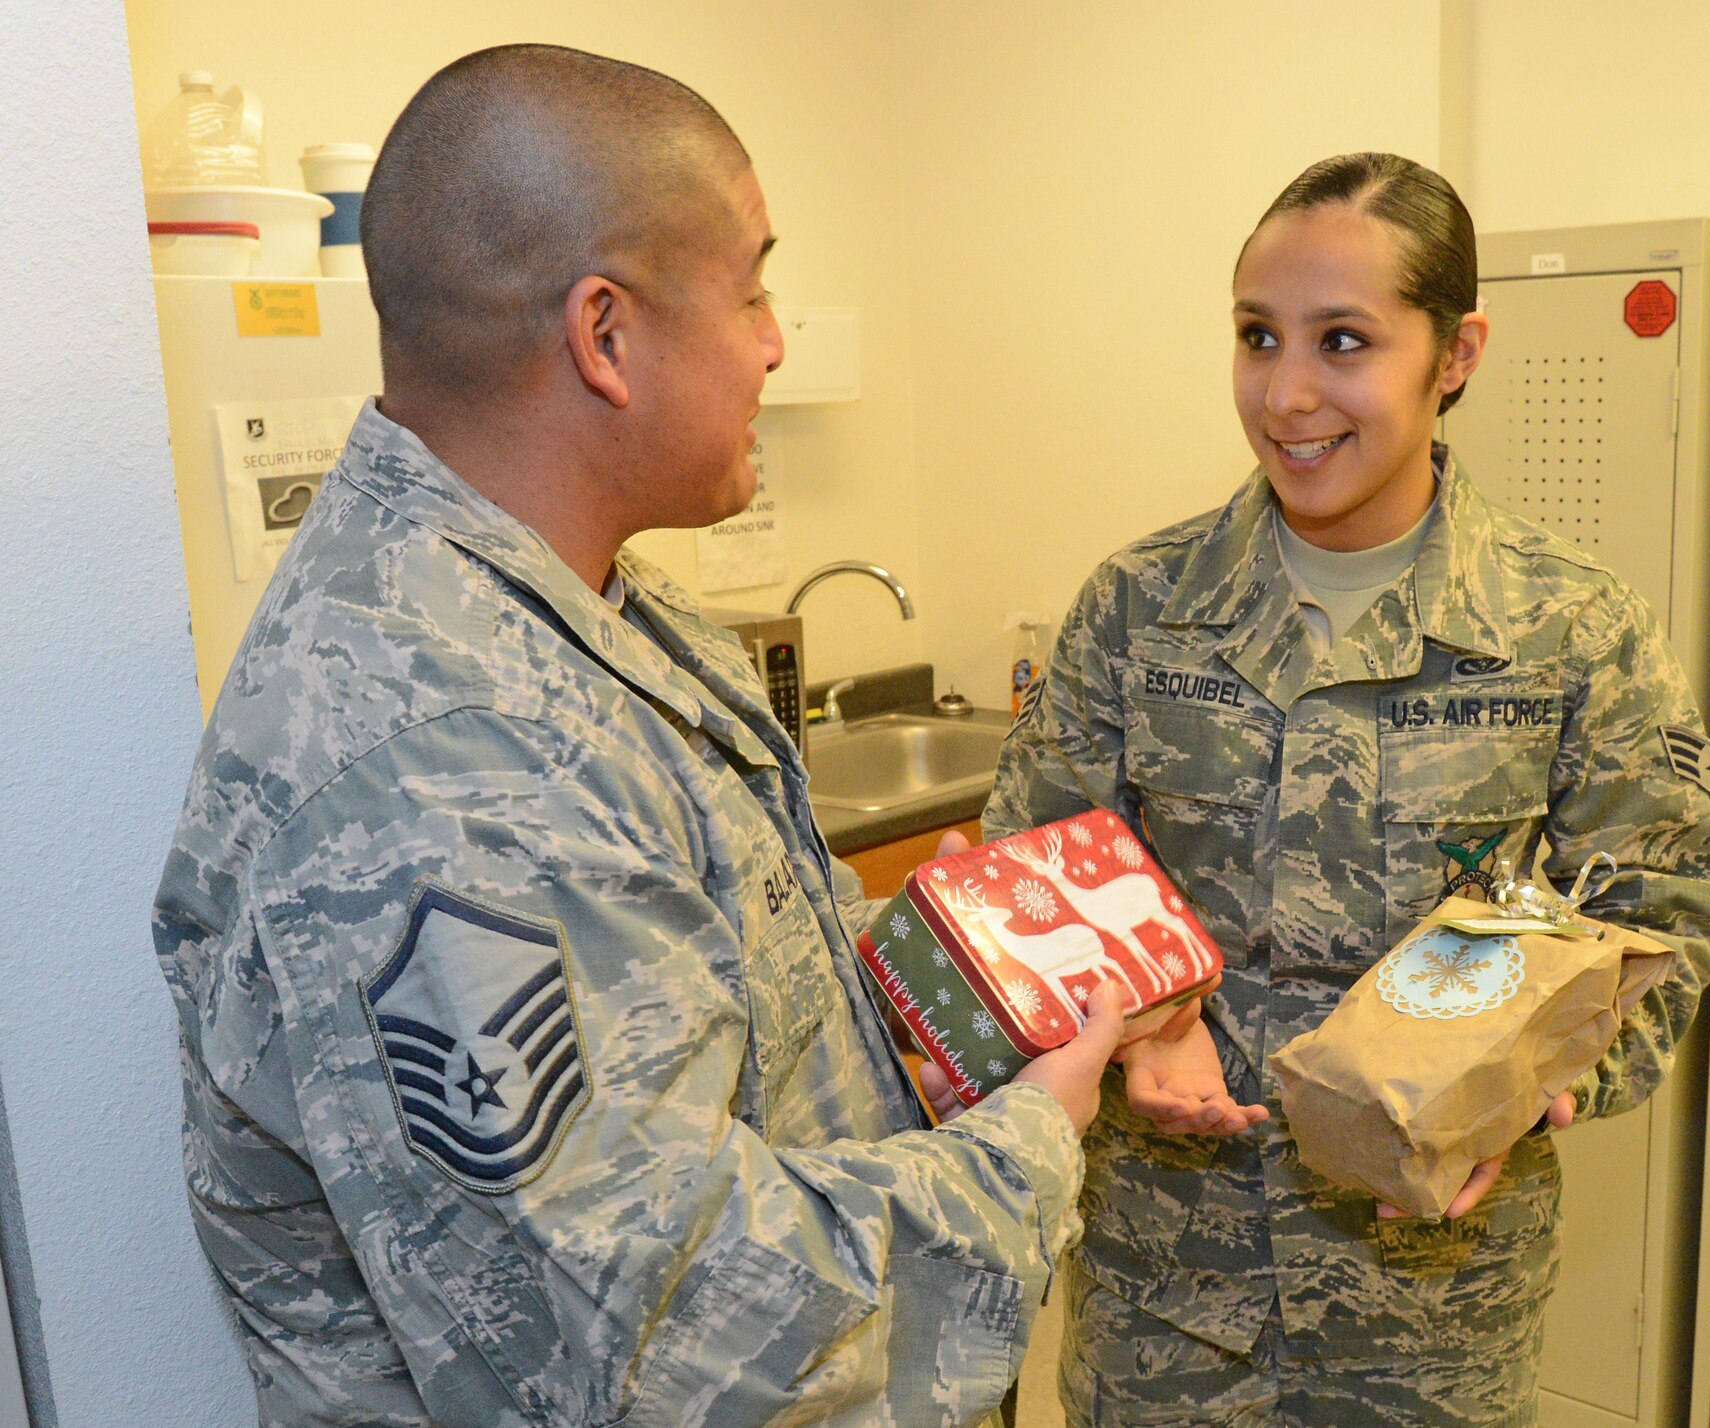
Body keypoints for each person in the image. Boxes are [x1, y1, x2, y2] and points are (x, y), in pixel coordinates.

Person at [153, 44, 1134, 1427]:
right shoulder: (442, 770)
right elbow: (659, 1347)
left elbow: (675, 1004)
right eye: (753, 290)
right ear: (605, 336)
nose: (778, 339)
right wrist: (1034, 1138)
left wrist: (888, 996)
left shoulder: (588, 612)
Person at [986, 152, 1710, 1426]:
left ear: (1453, 355)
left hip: (1429, 1314)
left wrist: (1532, 1090)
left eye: (1342, 341)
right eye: (1254, 336)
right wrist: (1142, 1031)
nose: (1285, 394)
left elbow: (1668, 906)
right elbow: (1028, 875)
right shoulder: (1139, 608)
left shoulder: (1566, 625)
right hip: (1164, 1298)